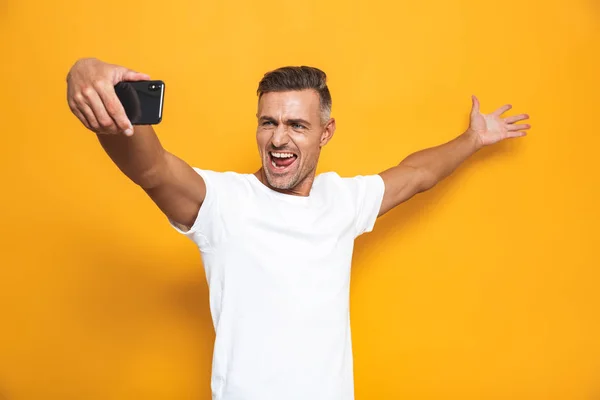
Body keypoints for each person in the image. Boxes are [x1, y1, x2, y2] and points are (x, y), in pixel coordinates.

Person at [66, 58, 531, 400]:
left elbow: (415, 174)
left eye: (296, 124)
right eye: (268, 122)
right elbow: (154, 171)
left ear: (325, 133)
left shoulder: (341, 201)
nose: (278, 138)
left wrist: (473, 139)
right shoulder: (223, 203)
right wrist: (93, 84)